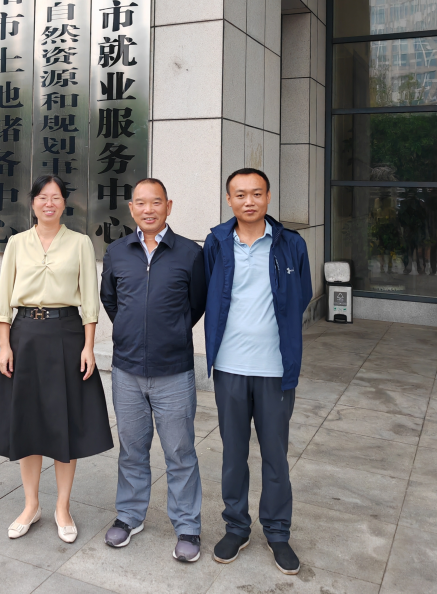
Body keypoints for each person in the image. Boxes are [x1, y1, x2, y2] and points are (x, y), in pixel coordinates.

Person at [0, 175, 113, 544]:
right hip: (25, 336)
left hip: (67, 335)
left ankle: (62, 507)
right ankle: (31, 506)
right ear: (33, 203)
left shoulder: (80, 243)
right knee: (28, 424)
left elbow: (89, 300)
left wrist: (89, 347)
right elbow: (4, 298)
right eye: (43, 197)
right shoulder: (16, 243)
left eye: (56, 197)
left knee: (64, 423)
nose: (49, 203)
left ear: (64, 204)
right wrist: (4, 345)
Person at [203, 168, 312, 575]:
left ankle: (278, 532)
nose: (248, 201)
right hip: (230, 367)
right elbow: (206, 292)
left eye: (256, 193)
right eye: (240, 194)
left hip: (274, 369)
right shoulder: (216, 242)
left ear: (268, 197)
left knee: (275, 456)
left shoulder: (291, 244)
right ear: (229, 199)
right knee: (233, 455)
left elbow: (301, 294)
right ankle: (236, 527)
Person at [100, 178, 207, 563]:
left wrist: (169, 332)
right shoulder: (117, 252)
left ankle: (188, 526)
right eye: (141, 203)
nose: (149, 210)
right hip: (127, 370)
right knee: (132, 448)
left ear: (168, 206)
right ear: (132, 208)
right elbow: (110, 300)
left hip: (173, 371)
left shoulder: (190, 254)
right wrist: (133, 332)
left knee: (179, 451)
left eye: (156, 202)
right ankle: (129, 516)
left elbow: (196, 304)